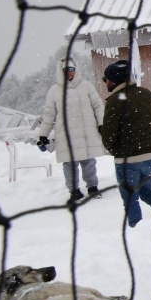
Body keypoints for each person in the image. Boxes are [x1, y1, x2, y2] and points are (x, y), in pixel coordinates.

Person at [98, 60, 151, 227]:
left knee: (130, 198)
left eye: (105, 79)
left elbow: (109, 135)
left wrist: (113, 147)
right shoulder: (145, 93)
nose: (105, 82)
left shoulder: (114, 100)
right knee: (147, 191)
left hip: (127, 159)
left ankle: (136, 229)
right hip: (148, 155)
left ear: (113, 80)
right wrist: (144, 133)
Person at [36, 60, 106, 205]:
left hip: (86, 131)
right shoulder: (55, 90)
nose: (69, 72)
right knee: (69, 163)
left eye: (72, 69)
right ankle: (74, 191)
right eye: (66, 70)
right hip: (66, 133)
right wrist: (43, 134)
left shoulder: (86, 86)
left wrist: (101, 124)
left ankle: (92, 187)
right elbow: (49, 114)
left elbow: (98, 106)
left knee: (88, 161)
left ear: (76, 69)